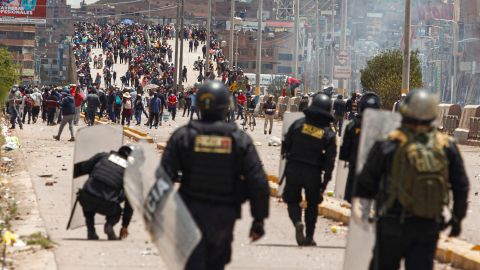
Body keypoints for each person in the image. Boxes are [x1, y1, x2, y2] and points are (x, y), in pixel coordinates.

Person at [354, 89, 469, 270]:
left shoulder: (389, 144)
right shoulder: (446, 146)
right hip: (428, 225)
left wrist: (369, 210)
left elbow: (365, 183)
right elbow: (461, 186)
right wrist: (457, 219)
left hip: (392, 223)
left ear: (404, 111)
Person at [160, 81, 269, 270]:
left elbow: (163, 178)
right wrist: (258, 220)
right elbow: (258, 181)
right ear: (226, 106)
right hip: (224, 216)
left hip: (189, 213)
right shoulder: (239, 139)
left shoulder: (183, 136)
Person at [281, 93, 336, 246]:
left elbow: (285, 146)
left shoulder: (298, 124)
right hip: (313, 172)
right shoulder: (328, 134)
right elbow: (330, 162)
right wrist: (323, 186)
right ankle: (309, 237)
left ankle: (298, 222)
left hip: (294, 168)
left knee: (292, 200)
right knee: (312, 205)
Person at [73, 145, 134, 240]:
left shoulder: (103, 156)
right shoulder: (129, 171)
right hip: (108, 205)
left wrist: (70, 174)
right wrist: (125, 225)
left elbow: (82, 168)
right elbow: (130, 202)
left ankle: (91, 231)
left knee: (88, 196)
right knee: (118, 210)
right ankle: (109, 225)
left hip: (87, 199)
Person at [339, 92, 381, 203]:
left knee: (352, 200)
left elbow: (343, 152)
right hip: (375, 172)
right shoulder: (382, 128)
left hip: (356, 168)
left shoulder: (353, 125)